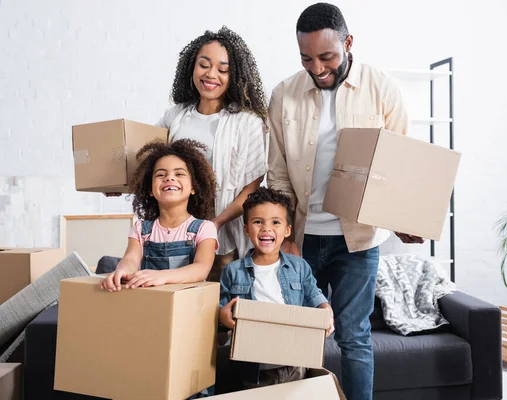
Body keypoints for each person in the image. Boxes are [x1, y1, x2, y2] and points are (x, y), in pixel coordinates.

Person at [267, 3, 423, 399]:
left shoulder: (381, 87)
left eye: (327, 57)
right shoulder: (284, 94)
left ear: (348, 43)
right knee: (297, 339)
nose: (317, 68)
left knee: (354, 337)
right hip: (302, 239)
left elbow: (402, 161)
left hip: (358, 239)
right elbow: (279, 172)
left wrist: (407, 219)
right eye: (306, 58)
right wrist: (285, 235)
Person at [105, 27, 268, 283]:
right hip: (171, 232)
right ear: (192, 66)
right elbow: (151, 164)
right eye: (204, 65)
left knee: (214, 310)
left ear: (234, 75)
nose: (211, 74)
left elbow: (251, 189)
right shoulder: (176, 116)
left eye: (222, 70)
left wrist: (216, 223)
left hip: (219, 237)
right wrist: (121, 184)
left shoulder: (247, 123)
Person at [219, 187, 334, 388]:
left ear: (287, 230)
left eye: (275, 222)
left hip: (294, 363)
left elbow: (314, 294)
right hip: (252, 367)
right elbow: (221, 312)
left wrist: (326, 311)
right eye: (258, 222)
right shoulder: (232, 271)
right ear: (246, 229)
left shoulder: (298, 266)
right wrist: (223, 318)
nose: (266, 228)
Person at [100, 139, 218, 292]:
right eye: (161, 174)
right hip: (150, 305)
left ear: (193, 187)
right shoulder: (141, 229)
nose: (169, 178)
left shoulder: (204, 228)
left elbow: (201, 269)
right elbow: (131, 259)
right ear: (150, 189)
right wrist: (122, 271)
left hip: (187, 309)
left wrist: (162, 277)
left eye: (179, 173)